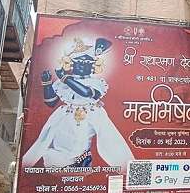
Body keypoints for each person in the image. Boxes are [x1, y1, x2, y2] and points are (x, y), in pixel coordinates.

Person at [22, 37, 134, 172]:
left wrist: (64, 78)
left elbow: (86, 92)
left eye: (87, 63)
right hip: (66, 113)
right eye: (79, 62)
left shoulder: (96, 83)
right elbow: (50, 102)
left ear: (93, 65)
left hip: (92, 113)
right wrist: (47, 83)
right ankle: (29, 167)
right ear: (72, 64)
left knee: (111, 141)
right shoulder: (64, 82)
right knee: (47, 138)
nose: (83, 66)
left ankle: (128, 170)